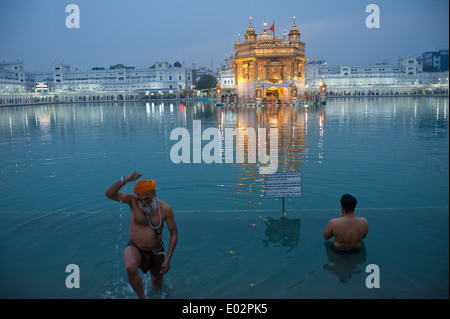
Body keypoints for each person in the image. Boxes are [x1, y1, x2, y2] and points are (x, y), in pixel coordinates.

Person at [105, 172, 178, 299]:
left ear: (154, 194)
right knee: (130, 267)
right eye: (140, 199)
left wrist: (168, 260)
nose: (143, 203)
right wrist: (126, 179)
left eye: (147, 199)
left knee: (157, 284)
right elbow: (109, 194)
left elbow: (174, 234)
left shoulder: (165, 209)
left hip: (156, 249)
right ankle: (142, 297)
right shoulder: (132, 201)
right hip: (135, 246)